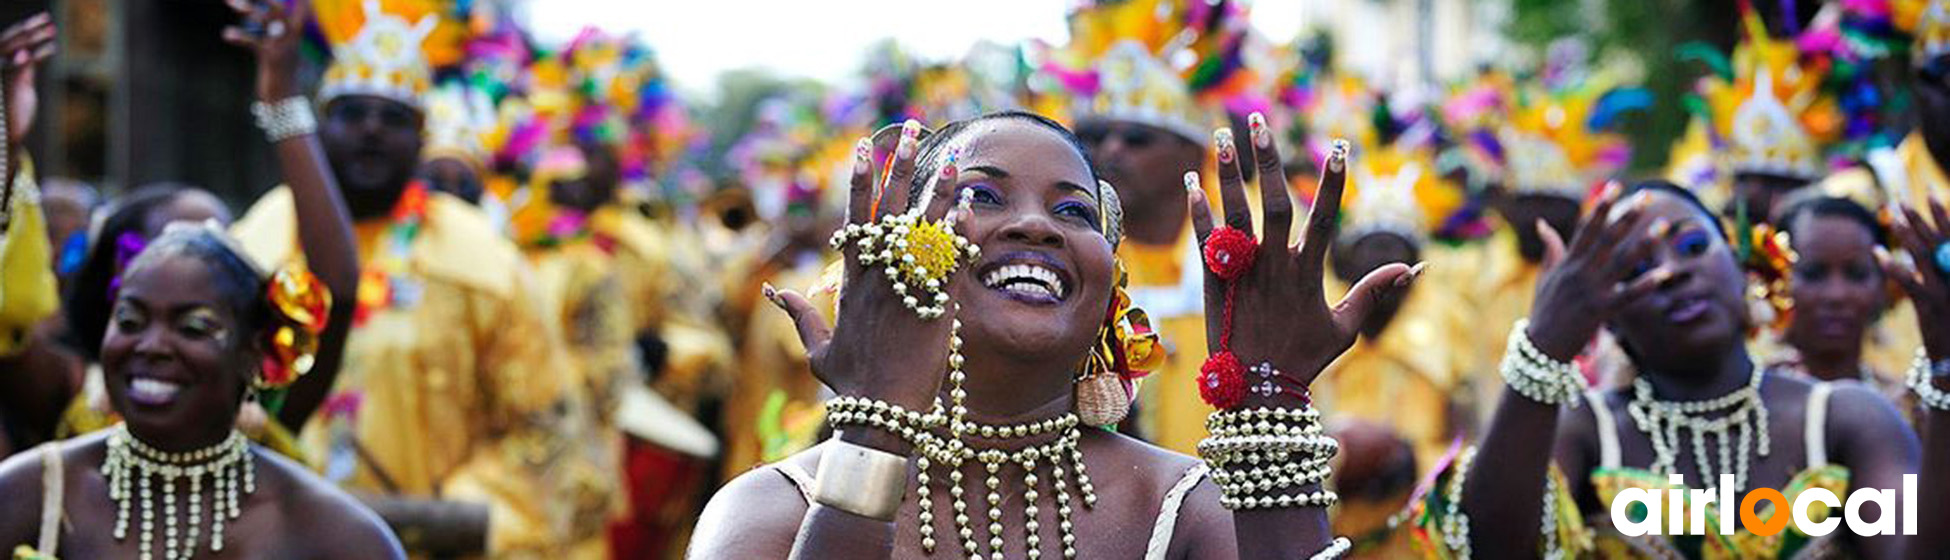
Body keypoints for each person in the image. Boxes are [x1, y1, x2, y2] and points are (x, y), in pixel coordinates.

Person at [691, 109, 1420, 559]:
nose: (1038, 224)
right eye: (980, 194)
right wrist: (875, 435)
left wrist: (1272, 405)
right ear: (894, 258)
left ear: (1109, 284)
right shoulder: (773, 509)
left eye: (1074, 211)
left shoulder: (1183, 505)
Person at [0, 2, 399, 556]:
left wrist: (281, 103)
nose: (156, 345)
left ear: (255, 348)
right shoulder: (40, 467)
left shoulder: (314, 503)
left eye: (195, 324)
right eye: (135, 317)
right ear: (118, 280)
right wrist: (6, 146)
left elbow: (334, 290)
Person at [1416, 179, 1950, 558]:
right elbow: (1490, 546)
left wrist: (1947, 370)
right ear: (1610, 316)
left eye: (1692, 245)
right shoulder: (1585, 430)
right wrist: (1544, 346)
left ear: (1745, 268)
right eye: (1637, 267)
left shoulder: (1848, 419)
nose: (1671, 273)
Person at [226, 1, 572, 555]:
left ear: (421, 137)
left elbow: (543, 428)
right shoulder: (259, 237)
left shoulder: (480, 257)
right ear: (321, 124)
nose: (370, 131)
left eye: (393, 118)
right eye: (351, 112)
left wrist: (436, 518)